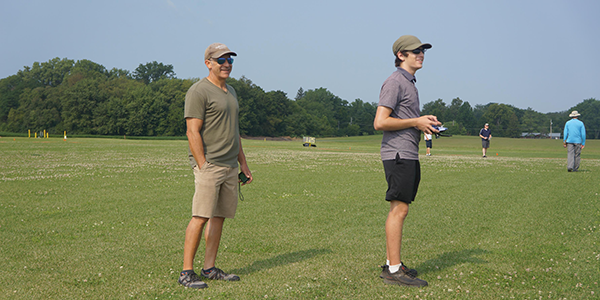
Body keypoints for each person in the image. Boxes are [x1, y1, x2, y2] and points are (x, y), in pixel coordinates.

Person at [178, 43, 253, 289]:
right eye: (221, 60)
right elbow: (192, 131)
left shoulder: (231, 91)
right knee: (200, 217)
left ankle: (209, 267)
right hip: (210, 166)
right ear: (208, 63)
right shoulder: (198, 91)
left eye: (230, 60)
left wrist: (243, 163)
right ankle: (186, 272)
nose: (227, 64)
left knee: (219, 217)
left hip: (231, 166)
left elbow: (235, 130)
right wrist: (202, 165)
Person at [373, 35, 440, 287]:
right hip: (398, 154)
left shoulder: (409, 82)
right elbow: (380, 122)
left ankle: (394, 263)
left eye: (423, 51)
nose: (421, 54)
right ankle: (393, 271)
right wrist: (416, 121)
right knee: (399, 209)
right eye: (415, 51)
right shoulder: (394, 82)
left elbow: (404, 118)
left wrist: (424, 121)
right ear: (401, 55)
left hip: (408, 152)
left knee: (402, 208)